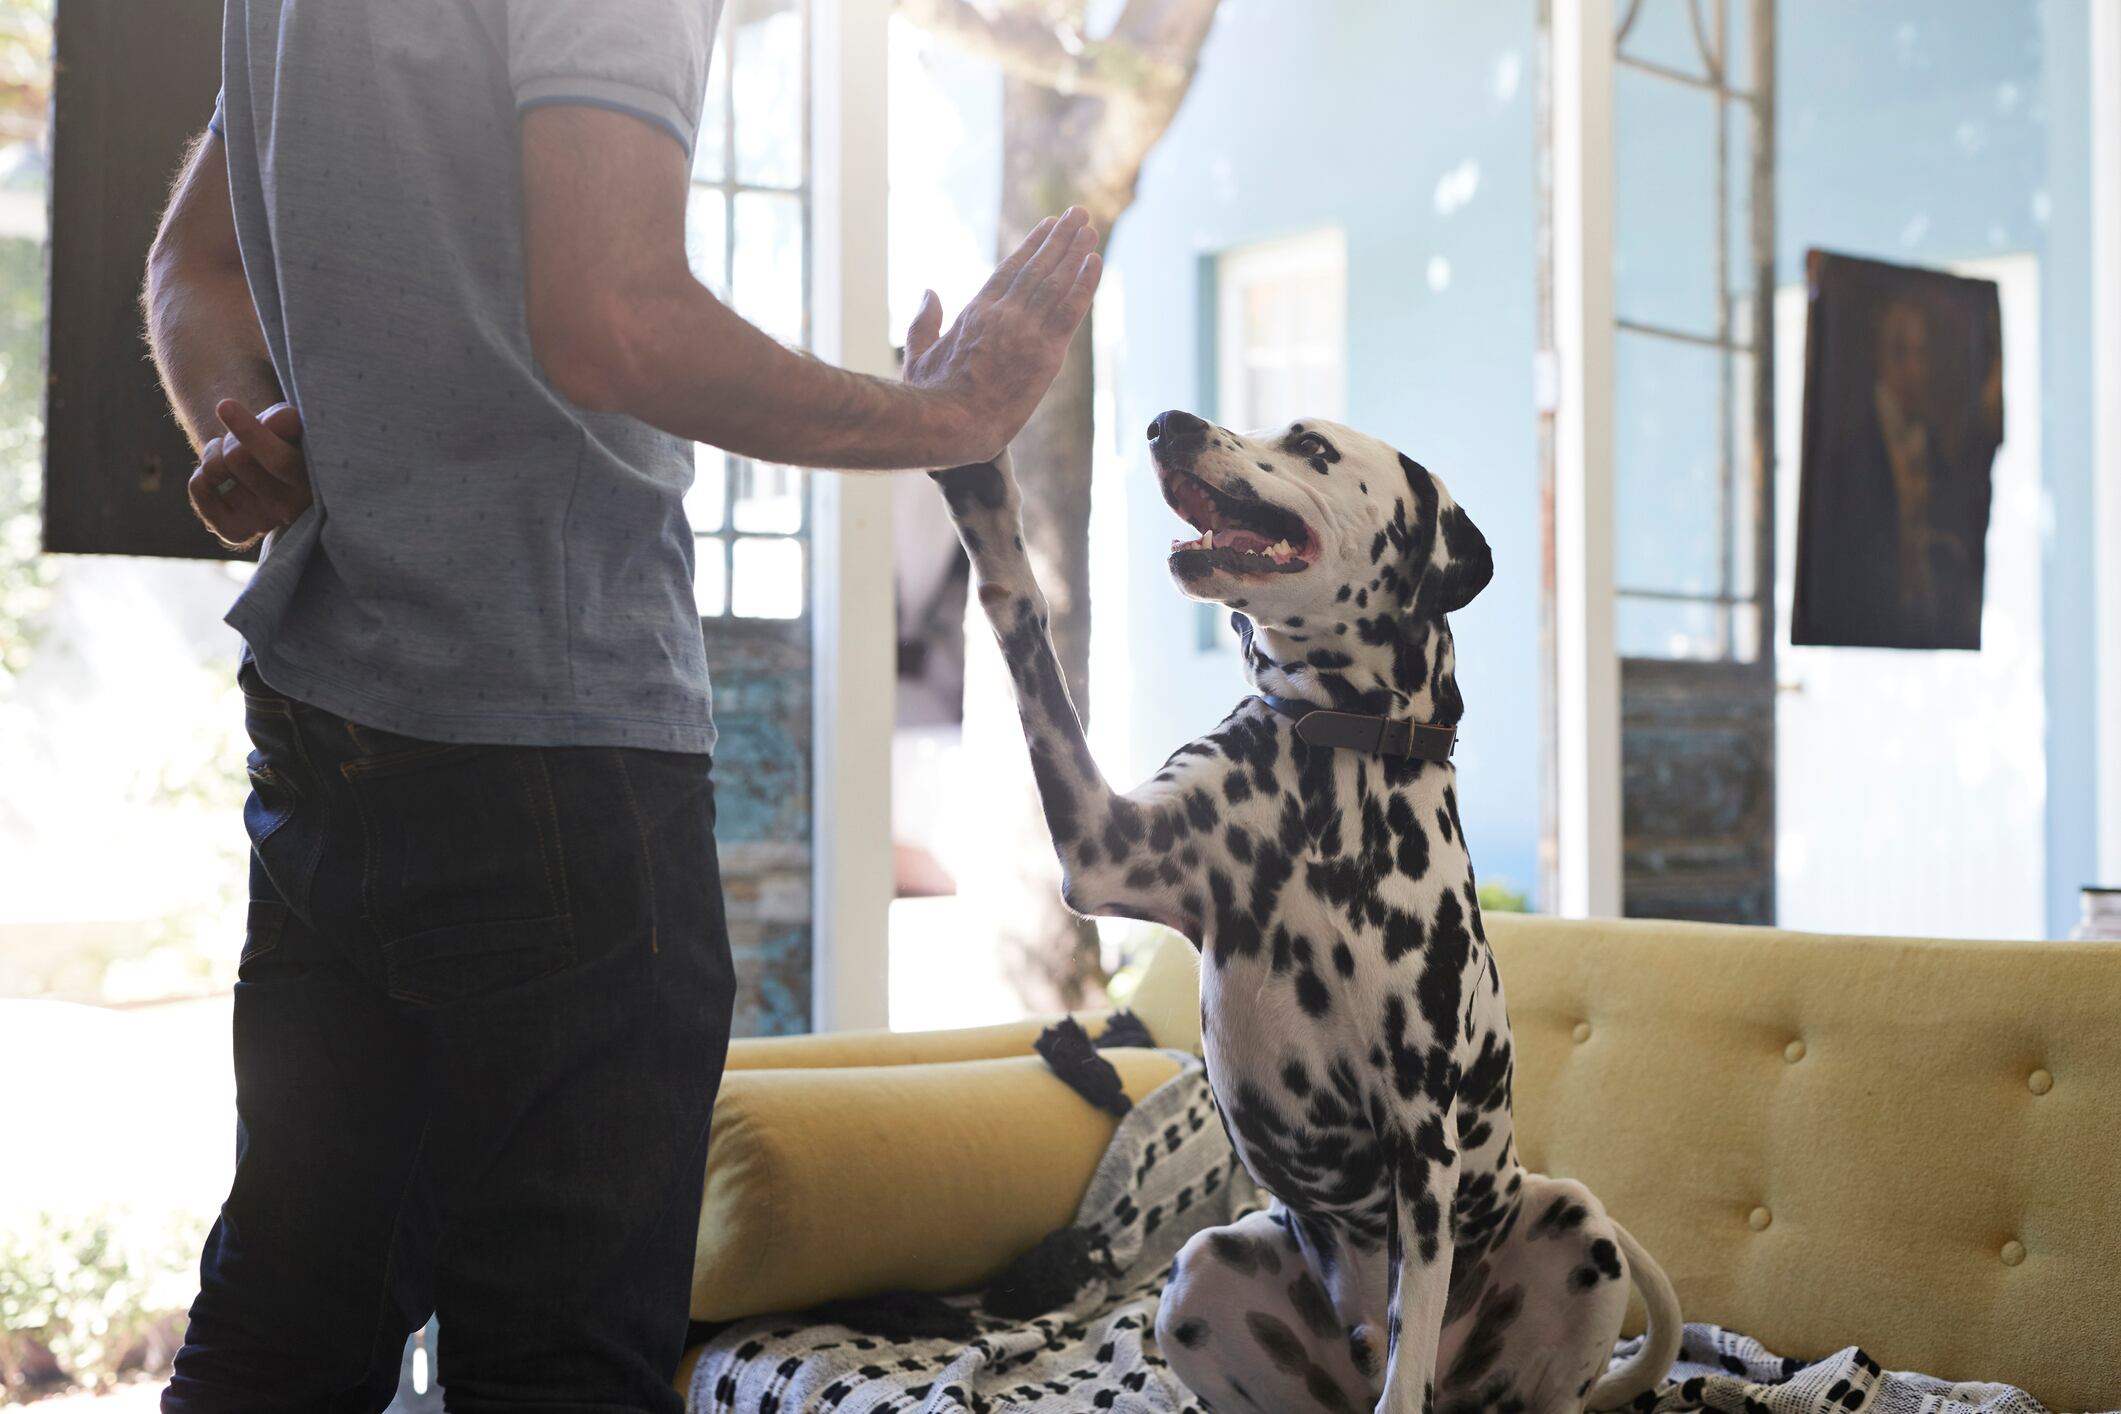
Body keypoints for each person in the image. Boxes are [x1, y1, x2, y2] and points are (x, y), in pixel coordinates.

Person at [139, 4, 1098, 1410]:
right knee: (560, 1361)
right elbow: (612, 318)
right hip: (549, 742)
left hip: (327, 724)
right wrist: (941, 420)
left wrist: (239, 425)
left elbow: (192, 263)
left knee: (284, 1325)